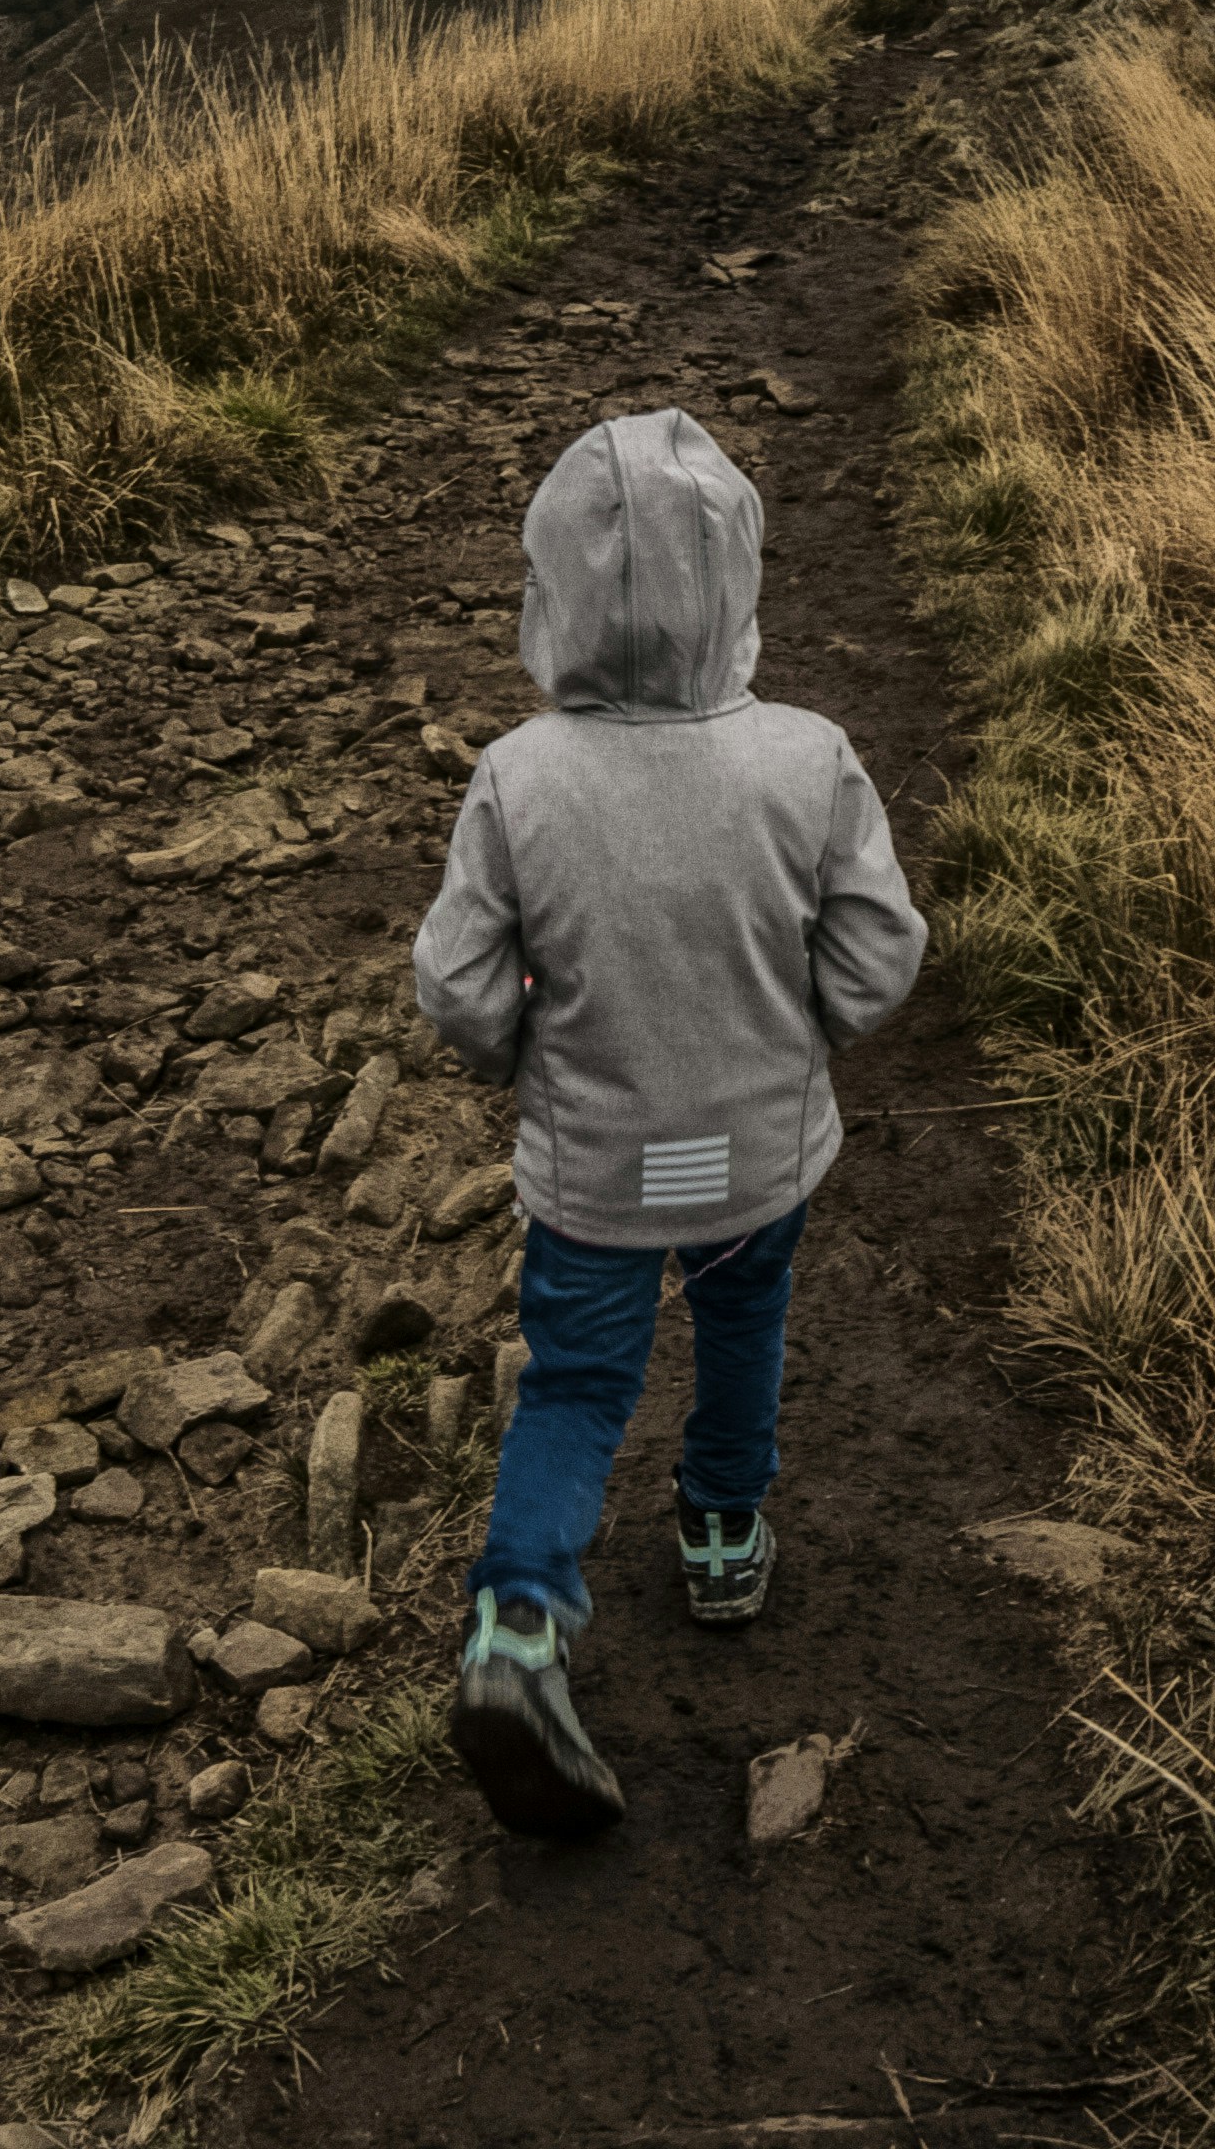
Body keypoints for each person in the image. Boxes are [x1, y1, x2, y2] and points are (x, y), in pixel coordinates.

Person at [410, 408, 928, 1836]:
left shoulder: (520, 779)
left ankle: (518, 1632)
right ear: (741, 582)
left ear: (552, 593)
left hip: (592, 1167)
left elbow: (455, 988)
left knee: (577, 1384)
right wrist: (795, 1036)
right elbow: (882, 960)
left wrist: (535, 1055)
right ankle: (718, 1533)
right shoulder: (809, 760)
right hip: (761, 1152)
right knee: (744, 1324)